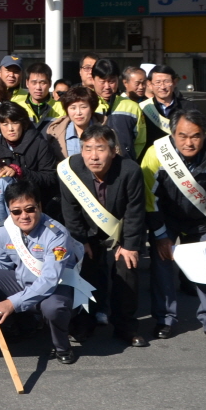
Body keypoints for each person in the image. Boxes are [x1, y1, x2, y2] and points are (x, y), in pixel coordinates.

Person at [142, 108, 206, 344]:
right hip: (165, 218)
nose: (189, 142)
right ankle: (165, 319)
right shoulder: (156, 154)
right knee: (161, 265)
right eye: (182, 136)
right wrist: (160, 235)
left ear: (205, 135)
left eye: (195, 136)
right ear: (173, 134)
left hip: (200, 221)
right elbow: (149, 199)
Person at [57, 125, 147, 347]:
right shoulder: (71, 169)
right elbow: (70, 210)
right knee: (86, 269)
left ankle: (125, 326)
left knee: (126, 269)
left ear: (114, 151)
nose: (93, 156)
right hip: (87, 232)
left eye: (100, 149)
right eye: (87, 149)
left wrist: (129, 245)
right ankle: (84, 322)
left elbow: (134, 211)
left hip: (120, 230)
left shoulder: (130, 170)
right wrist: (81, 241)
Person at [0, 181, 85, 365]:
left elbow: (50, 279)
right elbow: (0, 263)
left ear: (39, 206)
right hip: (23, 283)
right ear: (9, 211)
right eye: (16, 211)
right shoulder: (5, 231)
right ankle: (15, 328)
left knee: (53, 308)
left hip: (56, 288)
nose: (24, 216)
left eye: (30, 209)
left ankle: (62, 346)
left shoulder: (57, 235)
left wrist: (12, 303)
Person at [0, 101, 60, 206]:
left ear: (23, 123)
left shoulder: (40, 144)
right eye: (5, 124)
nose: (10, 129)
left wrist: (20, 172)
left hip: (39, 204)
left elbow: (50, 179)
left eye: (15, 123)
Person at [91, 59, 147, 159]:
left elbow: (140, 141)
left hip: (124, 163)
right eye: (102, 81)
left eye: (111, 81)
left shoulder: (132, 106)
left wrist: (130, 159)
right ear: (93, 80)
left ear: (118, 80)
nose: (107, 86)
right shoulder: (87, 105)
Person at [46, 84, 102, 159]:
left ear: (92, 109)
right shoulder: (55, 133)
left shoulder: (106, 131)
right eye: (73, 108)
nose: (78, 112)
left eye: (83, 107)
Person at [140, 64, 186, 145]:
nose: (162, 87)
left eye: (167, 82)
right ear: (150, 84)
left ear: (174, 83)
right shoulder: (143, 108)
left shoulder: (188, 107)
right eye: (158, 82)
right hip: (151, 152)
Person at [23, 62, 64, 127]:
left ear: (50, 83)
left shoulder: (62, 108)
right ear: (27, 83)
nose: (38, 87)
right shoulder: (19, 108)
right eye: (34, 83)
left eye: (43, 83)